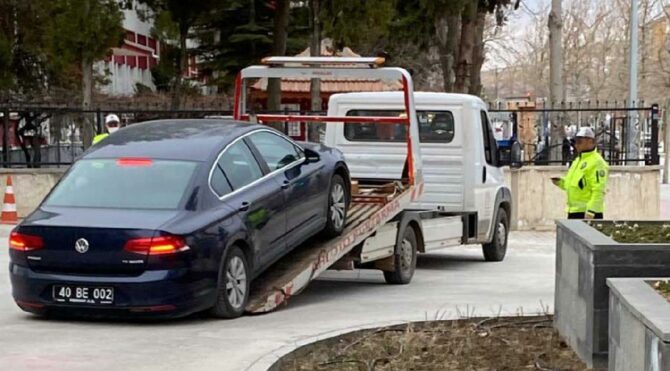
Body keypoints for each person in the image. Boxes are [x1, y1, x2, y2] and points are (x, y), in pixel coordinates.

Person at [551, 127, 609, 220]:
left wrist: (591, 211)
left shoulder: (597, 162)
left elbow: (598, 190)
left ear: (590, 141)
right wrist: (561, 182)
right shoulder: (578, 160)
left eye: (579, 142)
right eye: (575, 142)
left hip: (587, 213)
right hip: (574, 211)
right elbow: (577, 184)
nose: (576, 145)